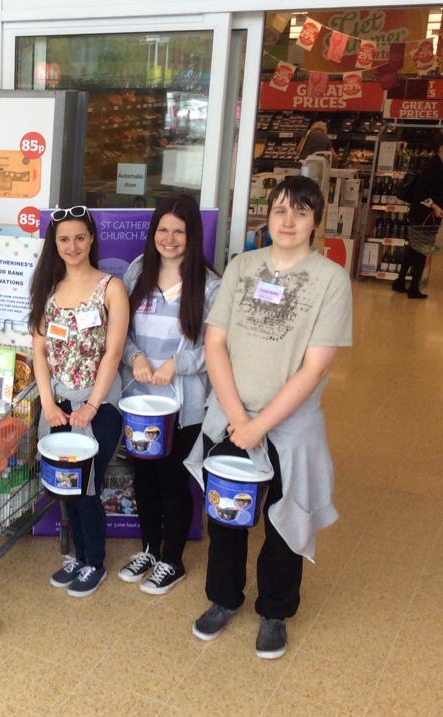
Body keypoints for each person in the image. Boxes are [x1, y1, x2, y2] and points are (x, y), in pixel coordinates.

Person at [185, 175, 352, 659]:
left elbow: (315, 365)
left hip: (291, 426)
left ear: (316, 221)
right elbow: (215, 343)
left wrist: (260, 425)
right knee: (227, 514)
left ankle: (275, 610)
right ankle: (223, 599)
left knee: (284, 522)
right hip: (230, 416)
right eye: (280, 210)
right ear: (268, 216)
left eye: (301, 212)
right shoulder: (242, 267)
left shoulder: (330, 280)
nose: (288, 220)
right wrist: (238, 417)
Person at [117, 192, 220, 595]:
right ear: (153, 232)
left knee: (173, 481)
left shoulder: (209, 285)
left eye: (179, 231)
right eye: (163, 229)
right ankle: (148, 547)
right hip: (140, 402)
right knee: (143, 476)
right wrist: (135, 356)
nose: (170, 238)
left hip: (184, 406)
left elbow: (216, 347)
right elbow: (119, 331)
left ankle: (171, 559)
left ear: (192, 234)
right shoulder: (137, 271)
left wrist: (180, 364)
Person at [30, 205, 127, 598]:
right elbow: (38, 353)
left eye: (80, 238)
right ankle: (80, 555)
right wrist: (49, 405)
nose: (73, 246)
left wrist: (91, 406)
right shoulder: (47, 289)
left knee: (85, 487)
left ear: (92, 240)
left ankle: (94, 562)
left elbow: (114, 353)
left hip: (98, 406)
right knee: (65, 486)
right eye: (64, 239)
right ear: (55, 244)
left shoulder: (111, 288)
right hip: (58, 406)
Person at [392, 135, 443, 299]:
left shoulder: (436, 165)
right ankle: (414, 288)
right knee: (422, 251)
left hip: (423, 215)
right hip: (424, 215)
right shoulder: (432, 166)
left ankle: (400, 281)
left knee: (413, 248)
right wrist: (434, 206)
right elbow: (421, 194)